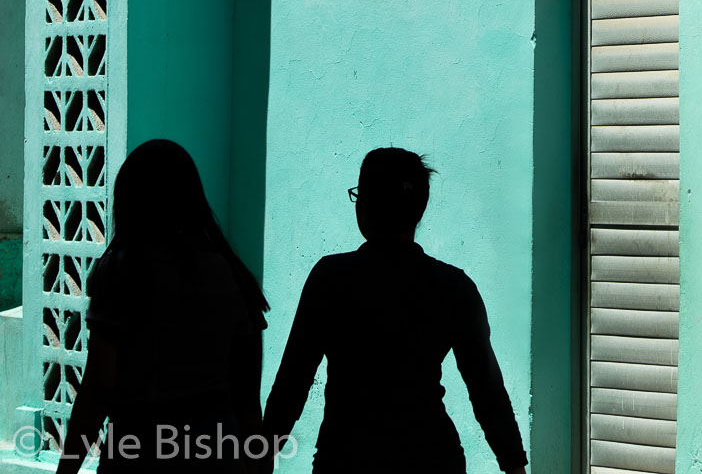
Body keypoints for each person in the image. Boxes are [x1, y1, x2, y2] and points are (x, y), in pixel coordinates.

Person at [263, 148, 527, 474]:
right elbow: (487, 390)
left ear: (363, 205)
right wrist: (514, 464)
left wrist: (263, 453)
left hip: (345, 458)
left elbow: (293, 381)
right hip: (433, 458)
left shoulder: (330, 279)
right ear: (420, 209)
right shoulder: (454, 286)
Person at [58, 139, 269, 474]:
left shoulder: (122, 271)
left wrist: (67, 468)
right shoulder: (229, 273)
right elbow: (247, 395)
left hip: (138, 450)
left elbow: (98, 386)